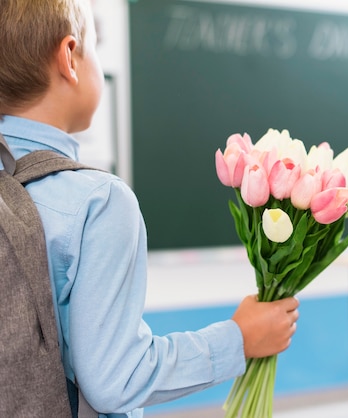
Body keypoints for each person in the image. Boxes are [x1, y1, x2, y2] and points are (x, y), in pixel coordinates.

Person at [0, 1, 299, 416]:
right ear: (69, 57)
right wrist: (239, 339)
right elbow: (117, 381)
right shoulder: (97, 201)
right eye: (96, 46)